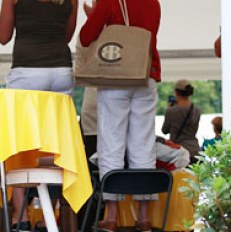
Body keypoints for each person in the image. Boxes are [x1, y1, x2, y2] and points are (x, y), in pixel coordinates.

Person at [79, 0, 161, 231]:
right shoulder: (153, 2)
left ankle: (112, 214)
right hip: (146, 74)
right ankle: (144, 216)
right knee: (144, 145)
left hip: (117, 76)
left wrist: (93, 15)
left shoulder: (110, 1)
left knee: (111, 143)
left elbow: (87, 37)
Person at [0, 0, 78, 230]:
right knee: (53, 144)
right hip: (61, 70)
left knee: (17, 142)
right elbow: (67, 36)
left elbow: (3, 36)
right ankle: (48, 215)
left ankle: (19, 216)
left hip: (27, 70)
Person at [162, 79, 201, 164]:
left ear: (176, 92)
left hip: (178, 151)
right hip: (194, 150)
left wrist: (169, 108)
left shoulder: (171, 111)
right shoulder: (197, 110)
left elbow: (164, 130)